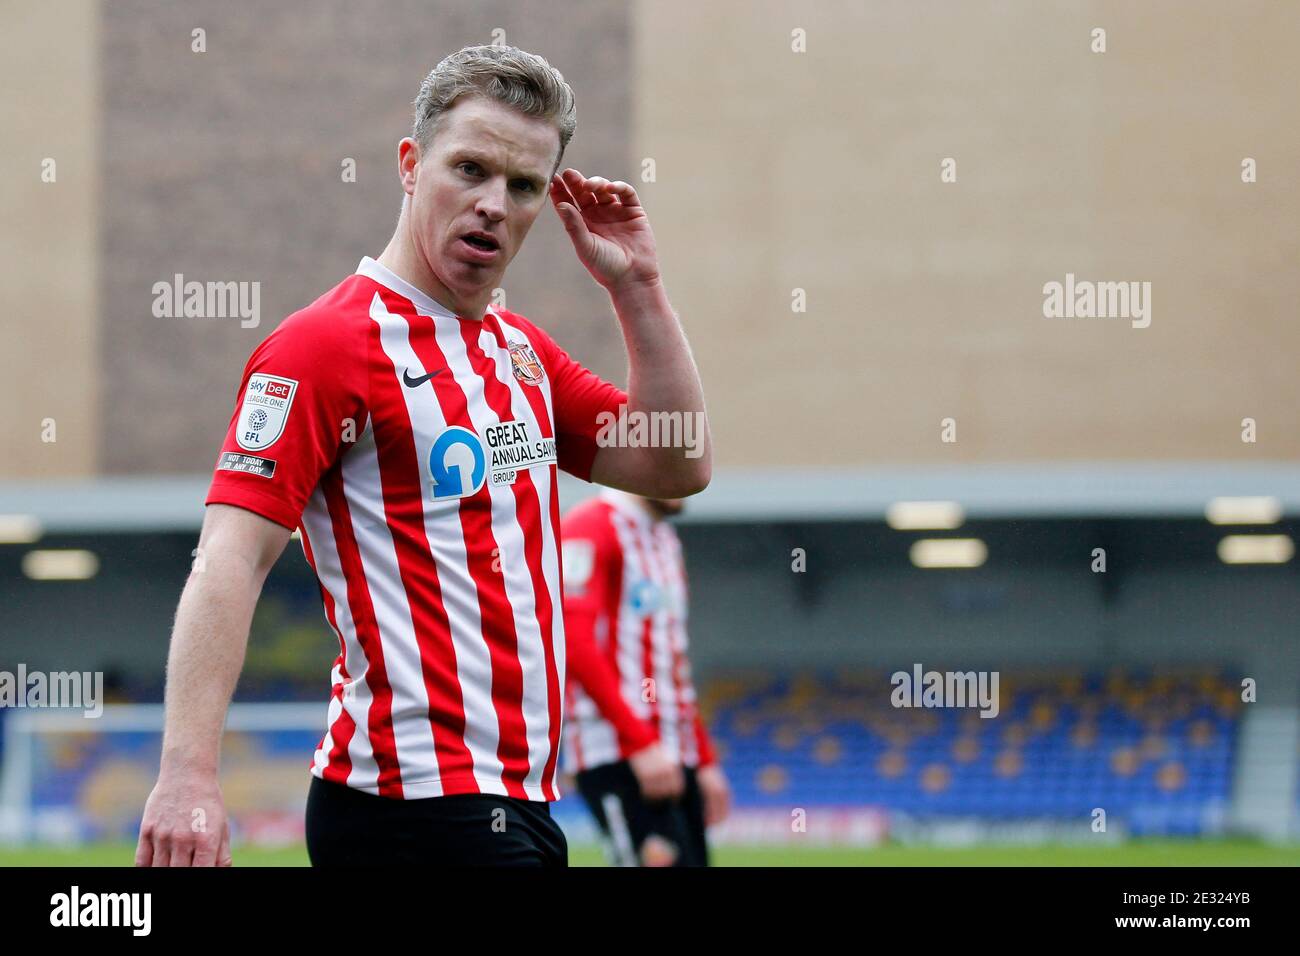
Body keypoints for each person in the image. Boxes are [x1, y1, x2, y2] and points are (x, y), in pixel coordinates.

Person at [134, 43, 710, 867]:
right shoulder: (325, 346)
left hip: (519, 798)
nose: (492, 205)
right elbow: (229, 557)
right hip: (409, 800)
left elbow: (675, 464)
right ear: (410, 164)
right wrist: (187, 772)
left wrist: (640, 288)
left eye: (523, 186)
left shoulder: (520, 353)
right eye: (469, 169)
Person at [561, 489, 730, 866]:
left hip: (672, 750)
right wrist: (637, 743)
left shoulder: (665, 539)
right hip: (618, 750)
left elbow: (673, 659)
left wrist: (703, 758)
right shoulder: (589, 525)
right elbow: (574, 642)